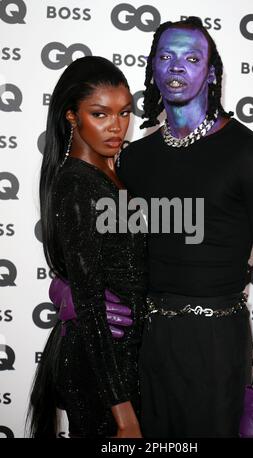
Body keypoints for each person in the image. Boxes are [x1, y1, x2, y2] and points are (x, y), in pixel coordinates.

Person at [51, 17, 253, 438]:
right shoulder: (134, 158)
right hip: (143, 349)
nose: (177, 67)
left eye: (191, 57)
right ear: (153, 69)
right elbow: (96, 240)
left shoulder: (249, 154)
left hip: (217, 345)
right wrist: (66, 289)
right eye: (166, 56)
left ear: (211, 72)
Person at [27, 56, 147, 438]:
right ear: (72, 117)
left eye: (125, 112)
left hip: (127, 361)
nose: (117, 126)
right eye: (100, 114)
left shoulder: (114, 170)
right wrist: (124, 415)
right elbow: (90, 303)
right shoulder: (79, 185)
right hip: (102, 374)